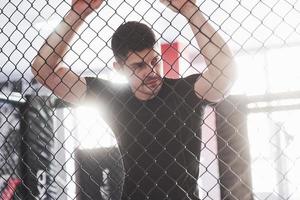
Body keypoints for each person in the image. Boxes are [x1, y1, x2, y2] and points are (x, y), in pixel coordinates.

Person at [31, 0, 237, 199]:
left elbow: (226, 74)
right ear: (118, 69)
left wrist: (189, 9)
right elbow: (43, 71)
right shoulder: (112, 98)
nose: (151, 71)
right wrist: (77, 13)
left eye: (154, 60)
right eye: (139, 66)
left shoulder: (183, 92)